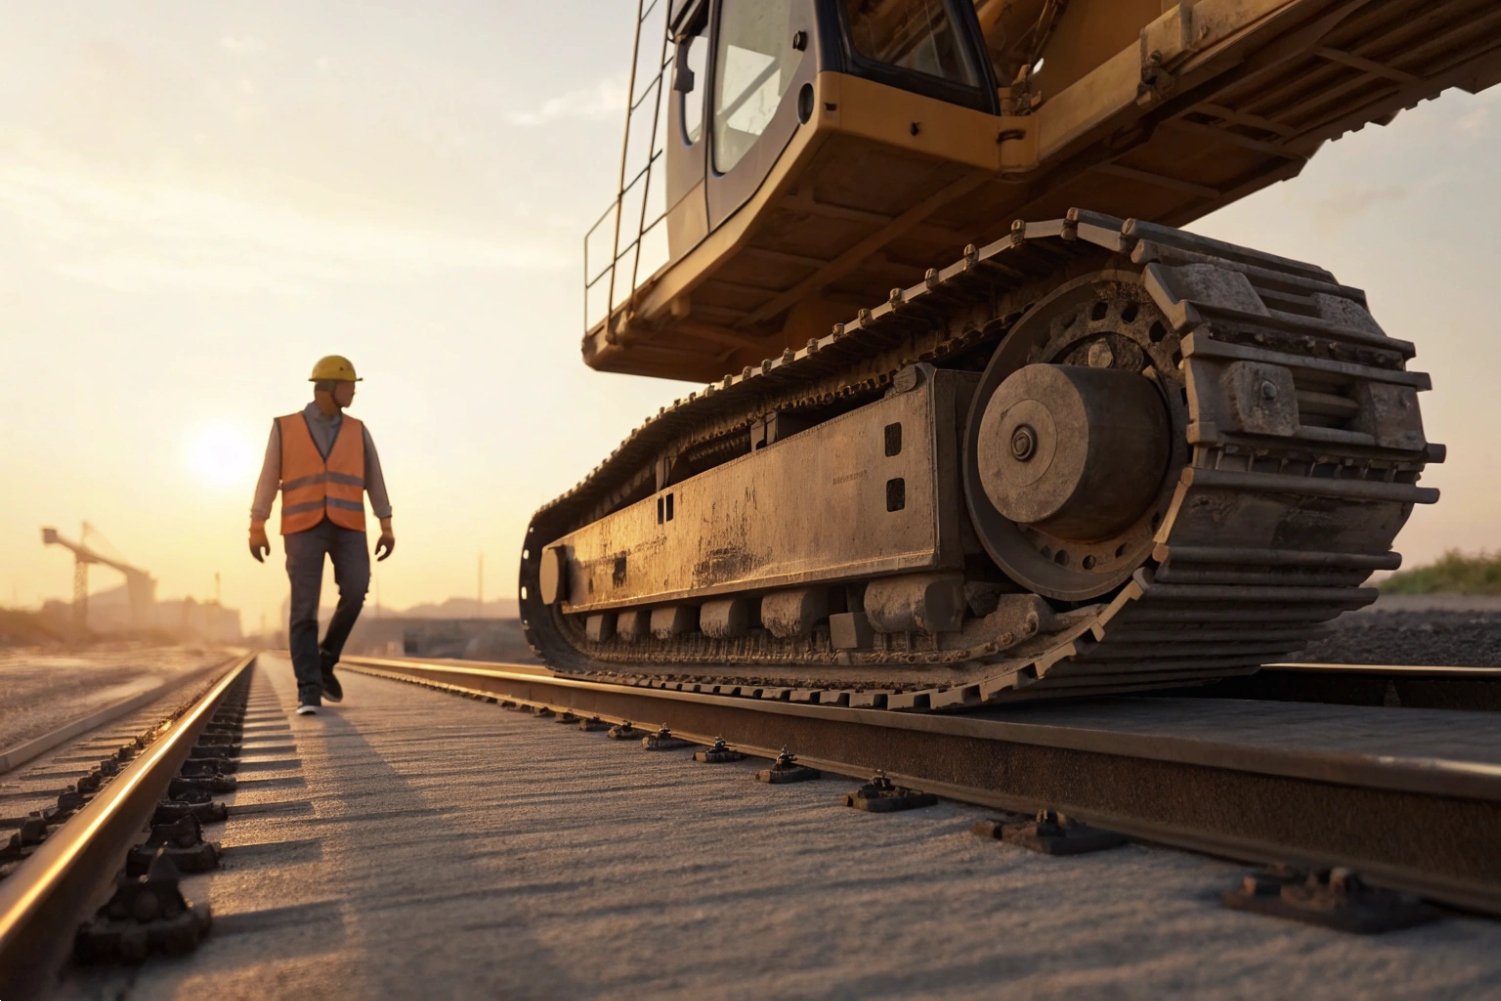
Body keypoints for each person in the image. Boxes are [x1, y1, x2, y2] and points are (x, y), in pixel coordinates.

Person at [248, 355, 395, 716]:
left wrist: (386, 523)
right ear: (328, 388)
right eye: (349, 387)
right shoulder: (285, 427)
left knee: (358, 588)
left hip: (348, 525)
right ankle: (309, 690)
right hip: (302, 527)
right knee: (304, 610)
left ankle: (326, 659)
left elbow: (374, 476)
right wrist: (257, 523)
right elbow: (269, 476)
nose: (354, 393)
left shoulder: (358, 430)